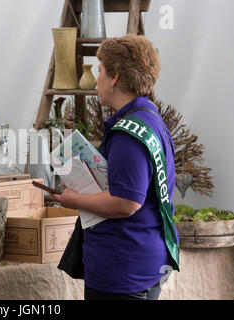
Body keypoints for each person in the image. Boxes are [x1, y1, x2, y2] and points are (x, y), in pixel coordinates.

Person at [53, 35, 179, 300]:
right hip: (139, 259)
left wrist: (74, 199)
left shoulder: (128, 134)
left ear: (115, 78)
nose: (96, 79)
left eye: (99, 70)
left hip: (123, 266)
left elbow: (126, 202)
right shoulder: (151, 119)